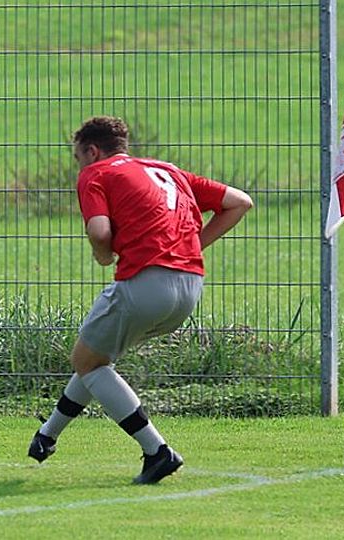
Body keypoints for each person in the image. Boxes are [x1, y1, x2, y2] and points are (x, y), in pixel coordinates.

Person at [27, 116, 254, 484]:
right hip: (190, 287)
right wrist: (193, 245)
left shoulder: (96, 173)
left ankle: (157, 451)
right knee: (94, 359)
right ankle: (47, 436)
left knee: (88, 362)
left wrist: (103, 255)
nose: (79, 166)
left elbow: (100, 230)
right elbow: (240, 202)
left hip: (147, 283)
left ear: (92, 151)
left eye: (78, 158)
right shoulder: (167, 170)